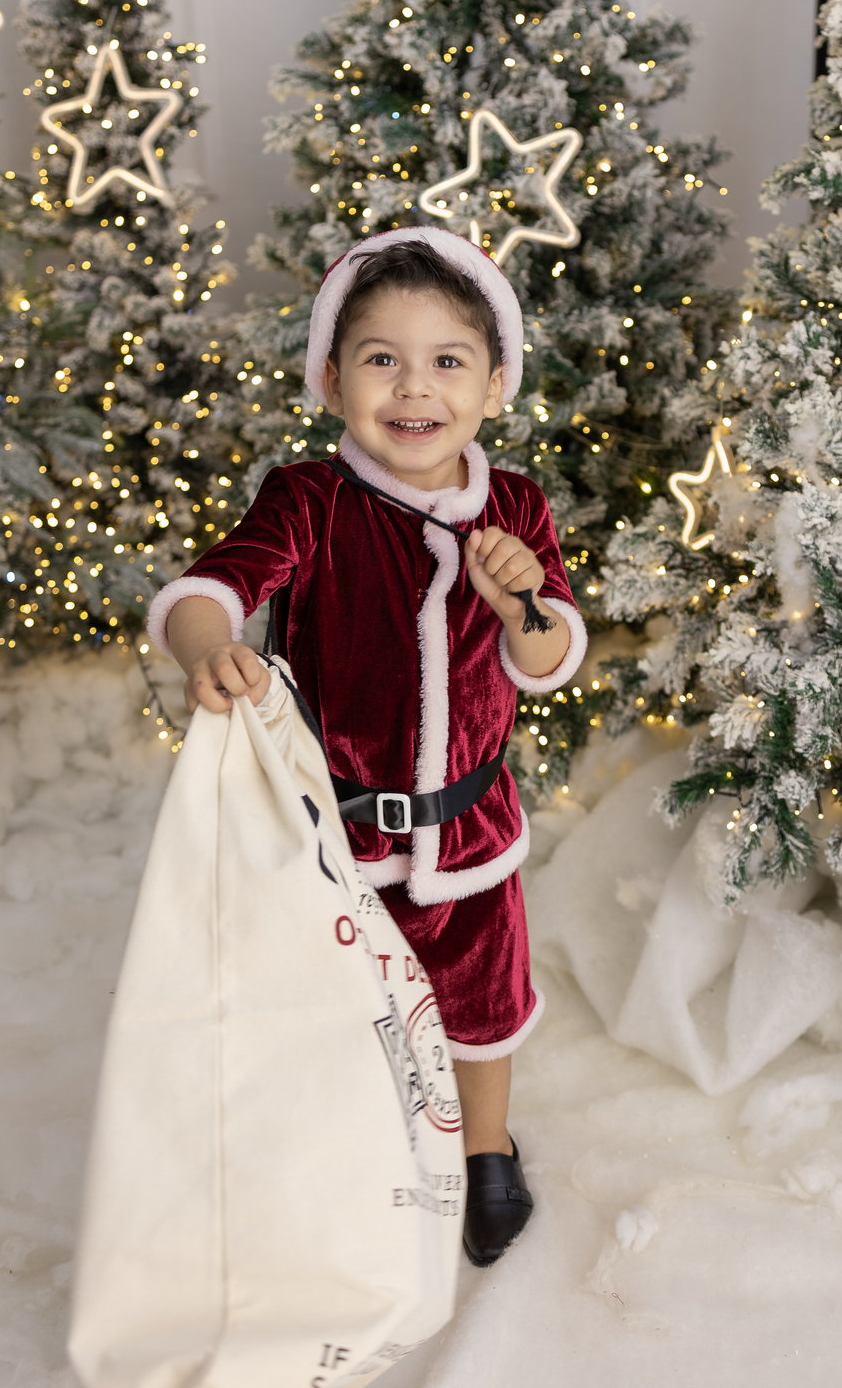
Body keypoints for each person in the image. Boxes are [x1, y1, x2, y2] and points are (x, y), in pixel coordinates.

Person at [148, 226, 586, 1266]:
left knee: (481, 1006)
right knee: (331, 1012)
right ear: (334, 379)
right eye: (381, 358)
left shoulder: (515, 507)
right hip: (333, 843)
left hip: (470, 833)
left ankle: (486, 1150)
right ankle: (338, 1147)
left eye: (448, 361)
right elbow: (217, 585)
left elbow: (551, 655)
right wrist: (208, 643)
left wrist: (520, 597)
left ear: (491, 385)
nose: (414, 387)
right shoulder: (312, 500)